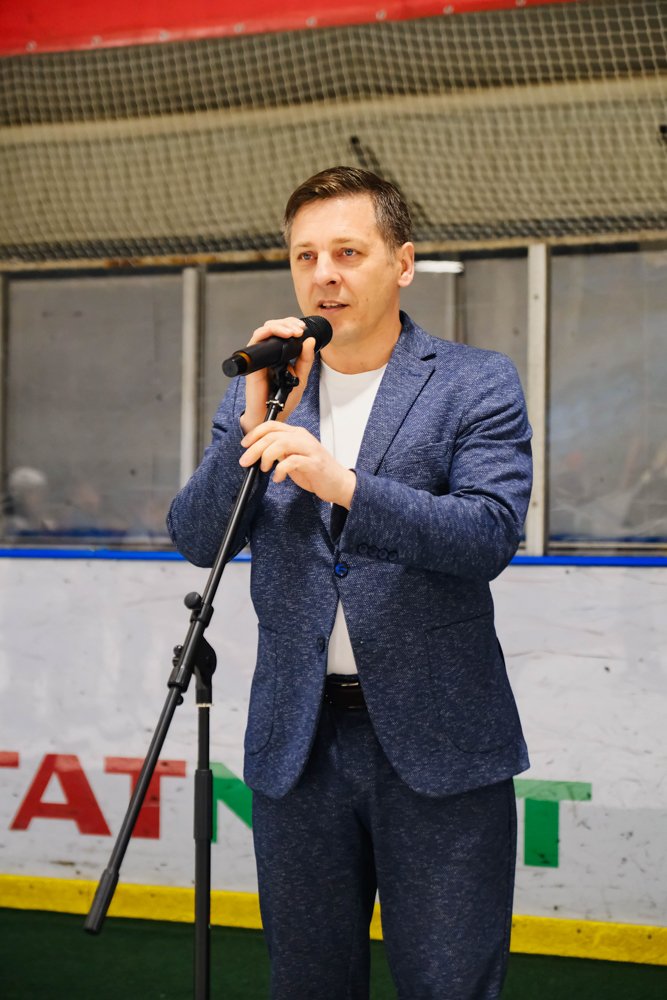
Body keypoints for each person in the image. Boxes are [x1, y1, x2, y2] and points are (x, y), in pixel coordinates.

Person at [168, 166, 533, 999]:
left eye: (346, 252)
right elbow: (196, 539)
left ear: (401, 263)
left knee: (447, 982)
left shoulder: (474, 380)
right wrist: (251, 425)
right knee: (308, 983)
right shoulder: (265, 391)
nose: (323, 274)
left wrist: (344, 485)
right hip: (298, 745)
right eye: (305, 256)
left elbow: (486, 535)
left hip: (441, 743)